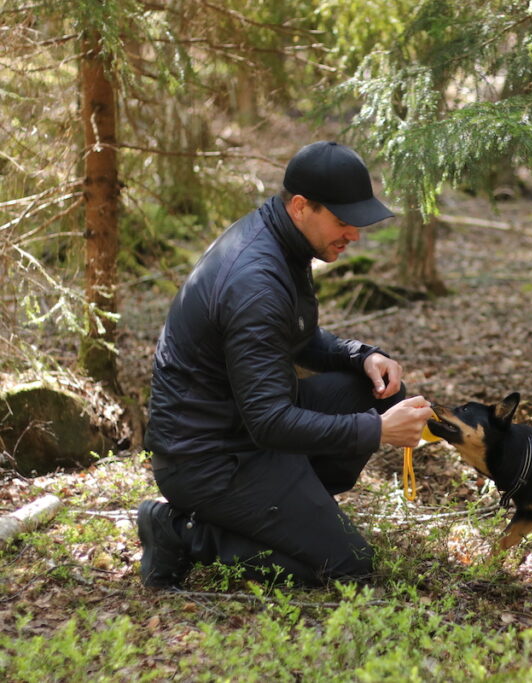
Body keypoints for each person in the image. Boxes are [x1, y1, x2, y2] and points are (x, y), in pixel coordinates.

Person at [138, 141, 434, 589]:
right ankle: (180, 534)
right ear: (300, 207)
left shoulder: (282, 241)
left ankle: (288, 510)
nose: (354, 234)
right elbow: (270, 422)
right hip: (207, 459)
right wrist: (378, 431)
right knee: (348, 565)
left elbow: (296, 337)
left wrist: (362, 355)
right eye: (342, 221)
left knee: (367, 390)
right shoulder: (256, 280)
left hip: (240, 432)